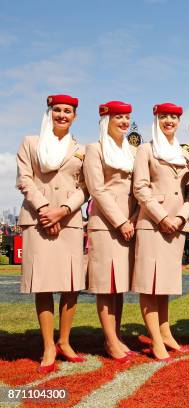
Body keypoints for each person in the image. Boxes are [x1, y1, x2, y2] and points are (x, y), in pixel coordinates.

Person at [16, 94, 89, 373]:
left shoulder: (81, 149)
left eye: (67, 111)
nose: (62, 115)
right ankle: (48, 345)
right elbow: (24, 179)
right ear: (50, 112)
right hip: (37, 219)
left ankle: (65, 341)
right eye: (57, 110)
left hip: (69, 220)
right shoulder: (30, 142)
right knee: (44, 284)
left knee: (72, 283)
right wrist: (45, 208)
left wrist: (63, 210)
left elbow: (86, 186)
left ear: (74, 116)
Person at [132, 103, 189, 361]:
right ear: (156, 119)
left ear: (179, 121)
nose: (169, 121)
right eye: (164, 116)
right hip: (152, 225)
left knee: (165, 284)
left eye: (173, 117)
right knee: (150, 284)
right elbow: (140, 188)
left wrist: (181, 216)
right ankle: (155, 340)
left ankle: (166, 333)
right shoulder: (145, 149)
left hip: (177, 227)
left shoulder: (185, 154)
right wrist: (162, 217)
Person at [83, 101, 139, 362]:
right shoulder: (94, 149)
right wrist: (121, 222)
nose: (125, 122)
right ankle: (110, 340)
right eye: (119, 117)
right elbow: (97, 189)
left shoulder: (132, 151)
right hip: (106, 225)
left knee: (120, 285)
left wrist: (135, 219)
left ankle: (115, 335)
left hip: (128, 223)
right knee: (106, 285)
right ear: (107, 119)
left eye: (127, 117)